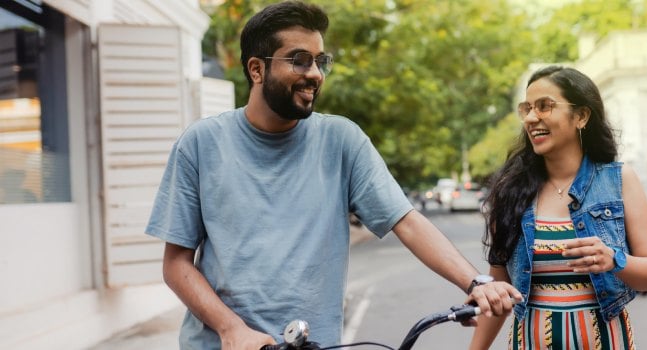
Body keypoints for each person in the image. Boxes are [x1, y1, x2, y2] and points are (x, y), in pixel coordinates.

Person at [144, 1, 521, 349]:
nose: (314, 74)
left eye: (320, 61)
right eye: (299, 60)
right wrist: (231, 329)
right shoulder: (201, 143)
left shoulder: (341, 140)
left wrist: (476, 283)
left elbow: (405, 221)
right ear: (256, 69)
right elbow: (176, 263)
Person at [469, 66, 647, 350]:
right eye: (527, 109)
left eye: (545, 106)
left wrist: (614, 259)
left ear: (581, 116)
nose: (532, 118)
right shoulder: (510, 191)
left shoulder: (619, 180)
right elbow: (498, 288)